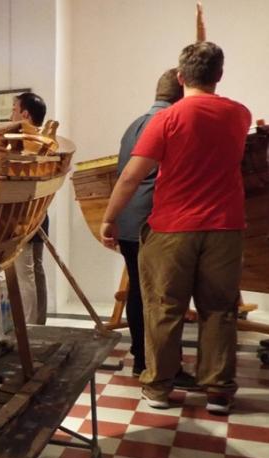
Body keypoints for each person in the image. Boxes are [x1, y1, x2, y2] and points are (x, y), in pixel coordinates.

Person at [101, 42, 250, 414]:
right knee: (220, 310)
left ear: (181, 77)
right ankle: (218, 392)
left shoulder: (167, 119)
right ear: (219, 75)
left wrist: (109, 218)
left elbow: (131, 176)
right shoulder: (239, 114)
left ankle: (158, 389)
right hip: (225, 226)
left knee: (164, 308)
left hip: (173, 227)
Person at [115, 68, 198, 391]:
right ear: (181, 95)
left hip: (128, 221)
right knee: (165, 298)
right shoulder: (170, 123)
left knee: (139, 292)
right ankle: (163, 366)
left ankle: (141, 358)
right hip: (153, 222)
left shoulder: (134, 124)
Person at [10, 92, 48, 325]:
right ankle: (38, 323)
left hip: (24, 216)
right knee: (35, 271)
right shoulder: (45, 142)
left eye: (14, 110)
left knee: (25, 274)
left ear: (24, 114)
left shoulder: (28, 144)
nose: (11, 115)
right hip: (40, 214)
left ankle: (30, 328)